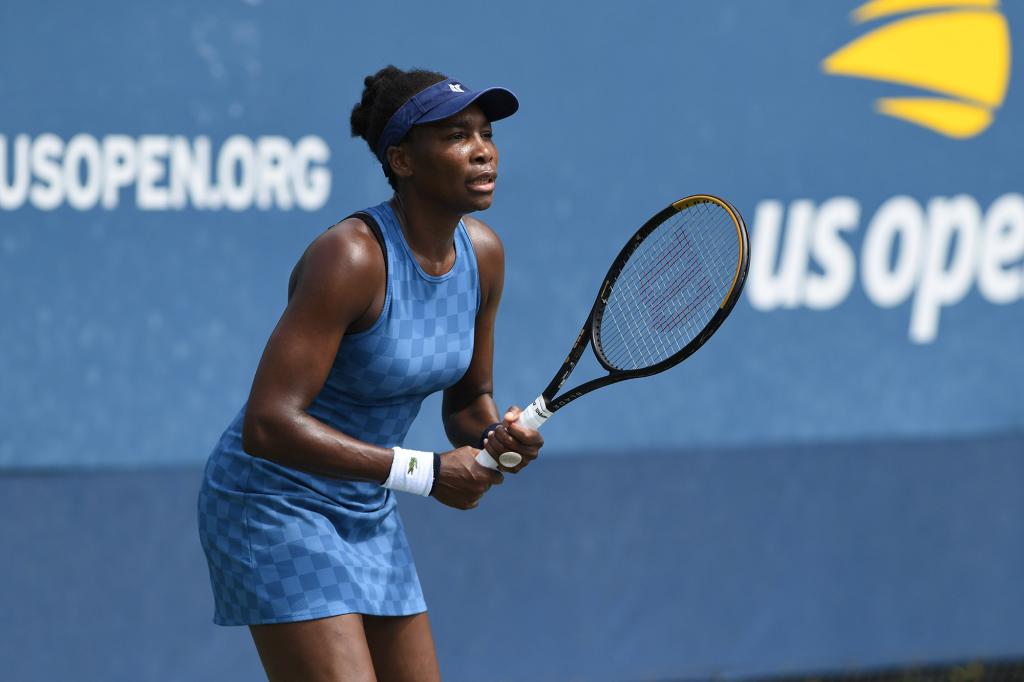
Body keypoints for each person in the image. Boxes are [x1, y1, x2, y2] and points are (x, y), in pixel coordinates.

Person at [197, 65, 544, 681]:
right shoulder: (351, 256)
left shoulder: (484, 255)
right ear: (403, 160)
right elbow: (268, 425)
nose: (483, 150)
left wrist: (497, 440)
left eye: (487, 133)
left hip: (367, 505)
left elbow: (468, 402)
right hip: (275, 501)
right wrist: (426, 472)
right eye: (456, 135)